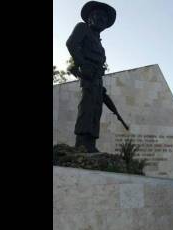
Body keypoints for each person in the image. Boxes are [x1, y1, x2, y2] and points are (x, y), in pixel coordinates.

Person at [66, 1, 116, 152]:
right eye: (98, 15)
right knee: (87, 107)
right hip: (88, 76)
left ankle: (91, 143)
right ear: (89, 18)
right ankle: (82, 142)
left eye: (104, 18)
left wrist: (101, 84)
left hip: (97, 79)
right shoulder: (82, 28)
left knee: (96, 110)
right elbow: (71, 43)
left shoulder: (100, 44)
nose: (101, 19)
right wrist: (82, 64)